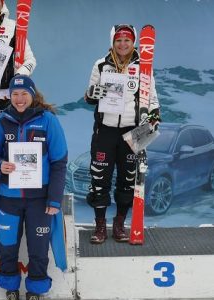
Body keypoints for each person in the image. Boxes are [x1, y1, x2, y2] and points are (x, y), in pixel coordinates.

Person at [0, 75, 68, 300]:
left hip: (39, 200)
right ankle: (11, 287)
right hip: (8, 198)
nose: (19, 98)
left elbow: (59, 162)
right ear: (9, 96)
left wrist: (54, 199)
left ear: (33, 94)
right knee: (8, 247)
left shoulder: (48, 120)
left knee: (38, 249)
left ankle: (36, 290)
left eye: (24, 93)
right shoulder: (1, 121)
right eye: (15, 93)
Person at [84, 24, 160, 244]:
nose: (123, 44)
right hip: (105, 131)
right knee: (99, 179)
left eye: (127, 40)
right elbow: (89, 96)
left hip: (132, 131)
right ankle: (100, 226)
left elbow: (153, 99)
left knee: (127, 180)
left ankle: (119, 225)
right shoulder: (101, 65)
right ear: (112, 42)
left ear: (134, 42)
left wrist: (154, 119)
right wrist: (95, 93)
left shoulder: (143, 67)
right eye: (119, 40)